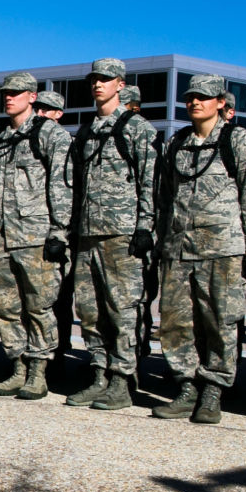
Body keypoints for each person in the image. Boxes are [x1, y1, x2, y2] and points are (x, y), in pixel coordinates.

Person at [149, 75, 246, 423]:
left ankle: (214, 389)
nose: (195, 102)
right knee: (175, 322)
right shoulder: (177, 142)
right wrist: (162, 242)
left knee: (220, 321)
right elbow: (164, 197)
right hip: (179, 249)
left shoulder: (239, 142)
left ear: (221, 102)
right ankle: (187, 385)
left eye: (204, 97)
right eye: (191, 97)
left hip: (222, 248)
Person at [67, 57, 157, 411]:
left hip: (122, 234)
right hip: (89, 233)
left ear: (121, 84)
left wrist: (145, 225)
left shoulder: (137, 127)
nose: (97, 85)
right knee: (89, 310)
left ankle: (122, 380)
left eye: (105, 79)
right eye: (94, 79)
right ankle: (100, 373)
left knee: (122, 310)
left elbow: (150, 179)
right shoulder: (88, 130)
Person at [0, 71, 74, 400]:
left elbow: (62, 185)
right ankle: (17, 366)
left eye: (17, 93)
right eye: (6, 92)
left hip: (35, 235)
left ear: (32, 96)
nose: (9, 97)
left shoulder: (51, 134)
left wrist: (59, 231)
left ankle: (38, 370)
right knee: (5, 307)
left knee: (38, 306)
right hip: (1, 235)